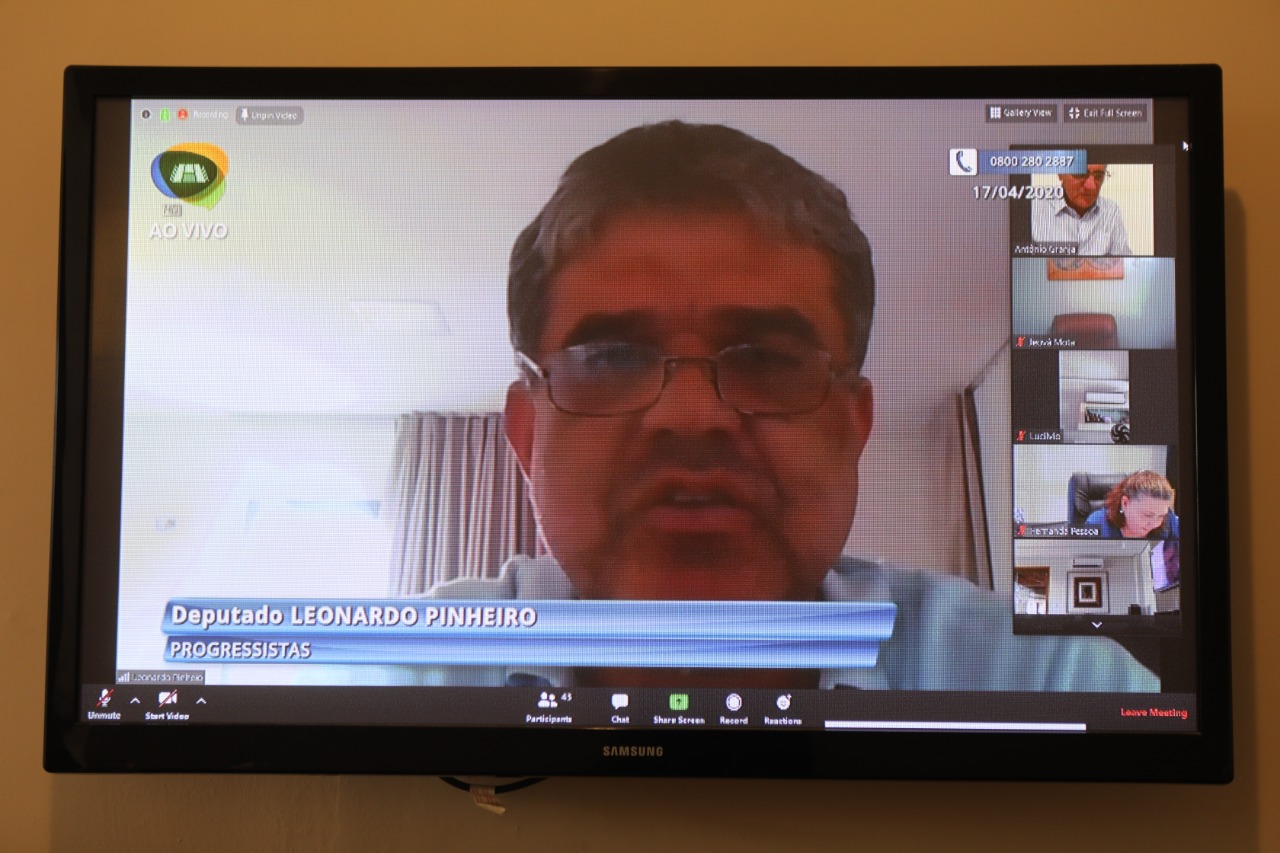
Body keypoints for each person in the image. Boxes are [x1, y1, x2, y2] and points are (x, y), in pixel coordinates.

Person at [430, 121, 1157, 692]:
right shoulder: (408, 667)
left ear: (853, 427)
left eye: (769, 360)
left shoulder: (1048, 678)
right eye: (611, 358)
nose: (691, 417)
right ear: (525, 434)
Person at [1031, 164, 1132, 255]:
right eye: (1080, 174)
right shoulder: (1033, 209)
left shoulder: (1111, 211)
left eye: (1098, 176)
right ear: (1061, 174)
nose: (1091, 186)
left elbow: (1124, 262)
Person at [1086, 470, 1179, 539]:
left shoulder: (1169, 519)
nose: (1155, 524)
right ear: (1125, 503)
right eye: (1147, 515)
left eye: (1161, 516)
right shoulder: (1097, 523)